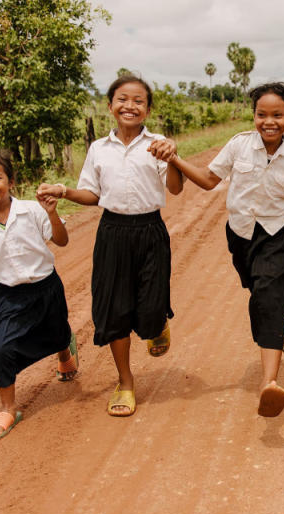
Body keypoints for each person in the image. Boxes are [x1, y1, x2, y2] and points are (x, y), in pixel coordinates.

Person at [168, 82, 284, 417]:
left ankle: (269, 383)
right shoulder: (239, 146)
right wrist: (175, 159)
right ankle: (282, 319)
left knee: (267, 298)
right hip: (240, 236)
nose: (269, 122)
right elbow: (210, 180)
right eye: (262, 114)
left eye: (278, 115)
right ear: (254, 115)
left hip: (278, 238)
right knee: (259, 293)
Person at [37, 74, 183, 417]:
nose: (129, 106)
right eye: (122, 99)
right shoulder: (98, 149)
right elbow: (93, 195)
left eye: (138, 101)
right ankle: (126, 381)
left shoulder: (159, 143)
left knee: (150, 305)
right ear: (110, 105)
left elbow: (175, 189)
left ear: (148, 109)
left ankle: (157, 321)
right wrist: (64, 191)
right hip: (112, 232)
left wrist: (173, 156)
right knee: (115, 309)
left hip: (150, 231)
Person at [0, 150, 77, 440]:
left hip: (46, 287)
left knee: (56, 331)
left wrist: (52, 214)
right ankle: (7, 408)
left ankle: (65, 352)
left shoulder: (33, 211)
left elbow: (62, 241)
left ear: (11, 181)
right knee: (1, 346)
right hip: (9, 297)